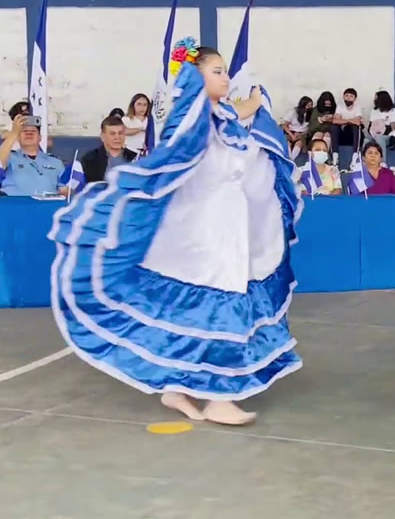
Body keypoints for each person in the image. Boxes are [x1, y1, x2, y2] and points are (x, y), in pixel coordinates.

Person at [50, 41, 302, 426]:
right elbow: (193, 136)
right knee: (223, 302)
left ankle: (177, 388)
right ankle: (219, 397)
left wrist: (255, 99)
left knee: (206, 308)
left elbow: (241, 110)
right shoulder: (195, 115)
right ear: (196, 77)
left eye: (224, 71)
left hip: (223, 223)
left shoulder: (219, 115)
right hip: (208, 228)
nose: (226, 77)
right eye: (216, 72)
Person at [0, 115, 67, 196]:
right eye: (24, 131)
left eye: (33, 131)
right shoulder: (9, 157)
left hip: (47, 206)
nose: (29, 133)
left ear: (40, 137)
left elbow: (64, 191)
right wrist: (14, 132)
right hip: (15, 206)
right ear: (18, 138)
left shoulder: (56, 162)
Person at [81, 116, 138, 183]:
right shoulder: (90, 160)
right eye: (112, 134)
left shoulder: (135, 158)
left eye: (120, 133)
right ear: (102, 136)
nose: (117, 137)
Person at [367, 90, 395, 161]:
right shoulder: (374, 110)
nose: (374, 100)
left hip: (387, 134)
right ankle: (365, 163)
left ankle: (382, 162)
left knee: (379, 139)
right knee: (366, 141)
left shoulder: (392, 111)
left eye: (376, 98)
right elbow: (371, 125)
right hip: (374, 133)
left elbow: (393, 126)